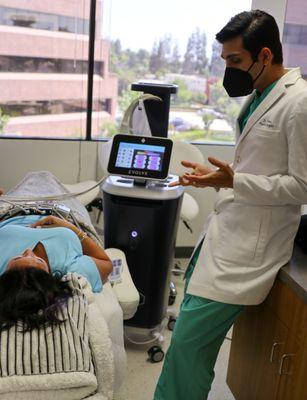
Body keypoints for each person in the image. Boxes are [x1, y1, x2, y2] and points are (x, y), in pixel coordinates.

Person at [154, 9, 307, 400]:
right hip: (225, 235)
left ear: (266, 56)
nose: (229, 70)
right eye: (224, 61)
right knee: (188, 348)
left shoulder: (299, 103)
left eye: (235, 61)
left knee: (188, 348)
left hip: (249, 250)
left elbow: (301, 186)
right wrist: (217, 176)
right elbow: (258, 165)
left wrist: (235, 180)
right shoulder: (260, 95)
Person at [0, 213, 112, 331]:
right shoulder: (70, 270)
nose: (28, 251)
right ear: (49, 277)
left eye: (18, 257)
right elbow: (106, 263)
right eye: (38, 259)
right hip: (64, 212)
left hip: (11, 212)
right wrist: (72, 229)